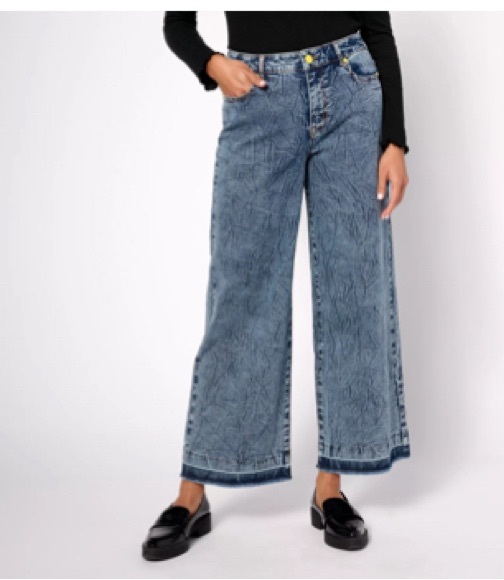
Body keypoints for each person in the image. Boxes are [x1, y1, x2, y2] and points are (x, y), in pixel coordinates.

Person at [142, 11, 411, 559]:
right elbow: (178, 24)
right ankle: (193, 491)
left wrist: (395, 141)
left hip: (350, 88)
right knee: (239, 295)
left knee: (353, 292)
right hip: (258, 97)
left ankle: (330, 487)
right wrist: (212, 64)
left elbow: (377, 26)